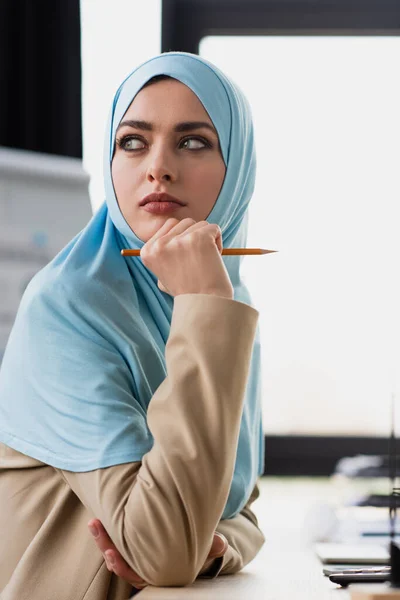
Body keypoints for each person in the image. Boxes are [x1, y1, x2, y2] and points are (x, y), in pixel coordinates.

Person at [0, 51, 265, 599]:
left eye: (192, 141)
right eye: (133, 141)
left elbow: (241, 507)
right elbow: (164, 550)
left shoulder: (221, 300)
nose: (158, 167)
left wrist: (218, 549)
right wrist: (203, 301)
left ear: (237, 168)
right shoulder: (67, 305)